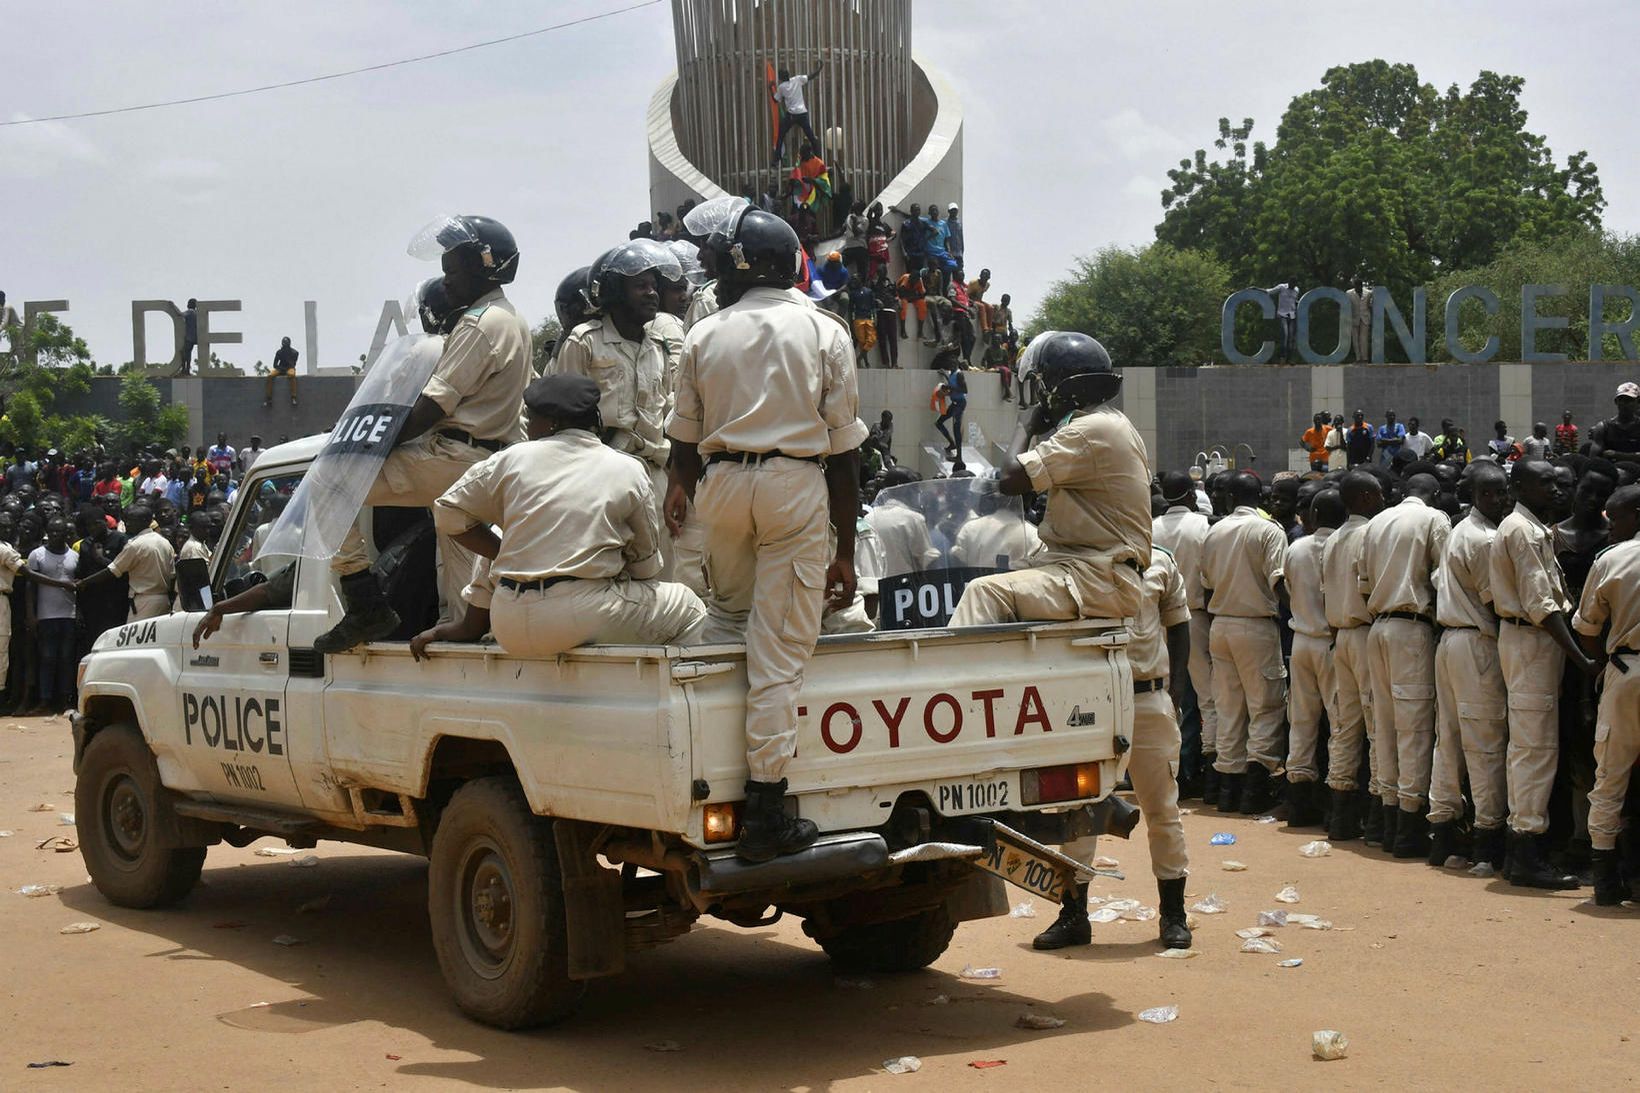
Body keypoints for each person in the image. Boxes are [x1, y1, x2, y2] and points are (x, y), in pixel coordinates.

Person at [664, 207, 866, 864]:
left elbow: (684, 444)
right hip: (794, 485)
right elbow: (843, 453)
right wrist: (845, 551)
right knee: (778, 656)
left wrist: (687, 491)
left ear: (738, 266)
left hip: (720, 486)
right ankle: (767, 810)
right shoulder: (823, 329)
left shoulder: (703, 333)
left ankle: (704, 769)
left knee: (726, 625)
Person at [318, 215, 530, 653]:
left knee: (330, 479)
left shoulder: (478, 323)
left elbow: (433, 406)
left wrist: (371, 445)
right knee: (458, 564)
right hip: (485, 463)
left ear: (483, 266)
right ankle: (464, 639)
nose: (445, 281)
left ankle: (362, 599)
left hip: (454, 458)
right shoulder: (510, 319)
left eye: (452, 271)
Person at [435, 374, 703, 659]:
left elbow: (448, 512)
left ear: (552, 423)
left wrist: (507, 555)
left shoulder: (510, 459)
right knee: (690, 607)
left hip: (508, 622)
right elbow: (646, 570)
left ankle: (472, 627)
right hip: (584, 615)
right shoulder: (627, 468)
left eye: (531, 418)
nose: (528, 427)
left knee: (503, 529)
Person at [1034, 543, 1193, 952]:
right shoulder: (1065, 561)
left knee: (1162, 809)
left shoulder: (1160, 559)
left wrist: (1174, 690)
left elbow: (1179, 625)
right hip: (1087, 701)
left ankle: (1174, 916)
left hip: (1147, 697)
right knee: (1077, 809)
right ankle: (1073, 915)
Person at [949, 331, 1150, 631]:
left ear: (1054, 387)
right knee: (1008, 577)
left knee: (983, 593)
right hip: (1093, 573)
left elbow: (1010, 479)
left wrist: (1024, 427)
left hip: (1096, 576)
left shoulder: (1086, 431)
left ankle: (951, 677)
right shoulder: (1110, 423)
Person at [1490, 460, 1599, 889]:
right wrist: (1582, 660)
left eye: (1557, 482)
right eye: (1544, 482)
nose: (1555, 489)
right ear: (1519, 486)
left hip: (1528, 641)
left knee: (1531, 745)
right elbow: (1543, 607)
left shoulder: (1533, 528)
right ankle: (1526, 851)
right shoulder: (1522, 530)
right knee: (1534, 748)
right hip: (1532, 641)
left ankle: (1526, 846)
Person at [552, 240, 679, 579]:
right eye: (640, 286)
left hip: (653, 475)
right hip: (599, 474)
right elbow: (562, 416)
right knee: (601, 570)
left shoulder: (659, 347)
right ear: (613, 292)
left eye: (654, 286)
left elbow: (666, 414)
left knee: (659, 572)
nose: (652, 293)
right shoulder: (584, 341)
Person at [1358, 472, 1449, 856]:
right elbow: (1444, 578)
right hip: (1412, 626)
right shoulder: (1435, 520)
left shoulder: (1376, 522)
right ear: (1435, 494)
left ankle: (1389, 817)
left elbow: (1363, 582)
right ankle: (1409, 826)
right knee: (1413, 729)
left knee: (1385, 726)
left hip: (1376, 627)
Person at [1427, 462, 1511, 873]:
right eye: (1489, 493)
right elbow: (1495, 602)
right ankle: (1486, 842)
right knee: (1485, 743)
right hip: (1476, 643)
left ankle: (1443, 836)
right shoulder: (1485, 539)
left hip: (1449, 640)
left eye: (1501, 492)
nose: (1498, 499)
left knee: (1451, 741)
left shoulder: (1460, 530)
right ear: (1475, 495)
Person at [1199, 471, 1288, 814]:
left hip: (1220, 624)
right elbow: (1278, 582)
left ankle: (1227, 792)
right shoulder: (1269, 531)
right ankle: (1254, 792)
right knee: (1264, 707)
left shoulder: (1214, 531)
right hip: (1256, 625)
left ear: (1229, 499)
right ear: (1261, 498)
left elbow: (1206, 583)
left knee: (1229, 708)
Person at [1571, 484, 1640, 905]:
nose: (1608, 525)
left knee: (1610, 775)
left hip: (1625, 670)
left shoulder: (1613, 559)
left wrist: (1600, 665)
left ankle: (1604, 878)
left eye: (1615, 517)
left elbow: (1587, 628)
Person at [1320, 471, 1386, 840]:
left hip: (1339, 635)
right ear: (1363, 497)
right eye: (1377, 493)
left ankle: (1340, 815)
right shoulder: (1368, 534)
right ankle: (1376, 817)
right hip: (1362, 633)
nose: (1382, 499)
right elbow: (1369, 588)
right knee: (1376, 726)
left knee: (1344, 728)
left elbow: (1326, 592)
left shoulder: (1332, 540)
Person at [1153, 470, 1215, 799]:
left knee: (1167, 695)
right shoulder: (1203, 527)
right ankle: (1201, 769)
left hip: (1158, 621)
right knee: (1205, 698)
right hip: (1196, 616)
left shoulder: (1150, 528)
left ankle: (1170, 766)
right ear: (1191, 494)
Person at [1283, 487, 1340, 827]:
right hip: (1332, 641)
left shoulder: (1297, 548)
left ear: (1312, 516)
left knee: (1301, 721)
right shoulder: (1347, 544)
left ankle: (1299, 804)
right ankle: (1336, 802)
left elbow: (1285, 588)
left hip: (1301, 639)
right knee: (1339, 724)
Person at [78, 501, 173, 621]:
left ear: (143, 521)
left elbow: (113, 570)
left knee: (138, 639)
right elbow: (172, 574)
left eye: (132, 520)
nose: (127, 524)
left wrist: (84, 582)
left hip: (143, 601)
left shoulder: (135, 544)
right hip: (164, 601)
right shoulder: (165, 542)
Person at [27, 516, 78, 713]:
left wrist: (78, 612)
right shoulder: (37, 555)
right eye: (52, 532)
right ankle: (45, 700)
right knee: (47, 658)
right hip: (46, 614)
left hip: (69, 614)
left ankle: (65, 700)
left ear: (66, 534)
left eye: (59, 532)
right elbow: (30, 586)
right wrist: (31, 614)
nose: (55, 535)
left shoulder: (74, 556)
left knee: (66, 658)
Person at [769, 60, 824, 166]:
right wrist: (819, 68)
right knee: (811, 137)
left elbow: (776, 100)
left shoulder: (781, 87)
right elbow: (811, 76)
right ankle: (819, 157)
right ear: (789, 75)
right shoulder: (797, 79)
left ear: (780, 78)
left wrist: (771, 88)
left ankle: (776, 160)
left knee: (781, 136)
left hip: (791, 116)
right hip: (802, 113)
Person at [1588, 382, 1640, 467]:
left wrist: (1617, 455)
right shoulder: (1603, 427)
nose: (1624, 404)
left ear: (1638, 402)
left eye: (1629, 400)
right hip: (1612, 474)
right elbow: (1593, 460)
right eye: (1621, 399)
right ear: (1616, 402)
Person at [933, 366, 967, 457]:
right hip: (954, 404)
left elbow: (964, 390)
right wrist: (945, 375)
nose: (949, 364)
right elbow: (953, 386)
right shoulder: (951, 374)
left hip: (959, 404)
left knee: (956, 429)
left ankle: (959, 456)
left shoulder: (959, 374)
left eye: (950, 363)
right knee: (939, 423)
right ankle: (952, 443)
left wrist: (949, 387)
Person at [1264, 279, 1299, 363]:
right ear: (1289, 283)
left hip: (1292, 315)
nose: (1292, 287)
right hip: (1282, 315)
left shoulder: (1297, 289)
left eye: (1294, 286)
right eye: (1291, 285)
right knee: (1285, 335)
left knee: (1291, 338)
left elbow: (1295, 301)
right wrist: (1256, 289)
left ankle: (1289, 359)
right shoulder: (1282, 287)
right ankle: (1282, 357)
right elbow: (1270, 291)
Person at [896, 266, 929, 343]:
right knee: (903, 305)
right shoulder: (906, 278)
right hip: (901, 295)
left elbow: (922, 294)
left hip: (911, 296)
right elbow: (901, 292)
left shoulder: (919, 280)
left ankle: (920, 331)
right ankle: (903, 330)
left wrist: (914, 296)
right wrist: (911, 296)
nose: (914, 281)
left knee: (922, 304)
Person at [265, 336, 299, 407]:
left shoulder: (295, 353)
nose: (284, 344)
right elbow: (275, 364)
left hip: (289, 368)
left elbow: (294, 364)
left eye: (286, 343)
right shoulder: (279, 352)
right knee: (270, 376)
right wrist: (281, 369)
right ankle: (268, 398)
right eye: (283, 343)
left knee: (292, 375)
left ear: (289, 343)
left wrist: (289, 367)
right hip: (280, 368)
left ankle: (293, 397)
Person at [1346, 279, 1370, 361]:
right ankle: (1358, 358)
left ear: (1361, 286)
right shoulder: (1349, 293)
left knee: (1364, 338)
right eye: (1355, 286)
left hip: (1365, 317)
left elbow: (1369, 305)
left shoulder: (1368, 293)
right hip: (1354, 318)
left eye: (1359, 286)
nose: (1357, 288)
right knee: (1355, 339)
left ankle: (1365, 358)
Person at [176, 298, 198, 376]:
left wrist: (173, 306)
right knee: (188, 353)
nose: (187, 304)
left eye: (188, 303)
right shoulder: (197, 313)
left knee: (184, 352)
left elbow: (180, 314)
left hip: (190, 337)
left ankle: (184, 370)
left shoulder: (190, 311)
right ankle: (187, 370)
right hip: (195, 337)